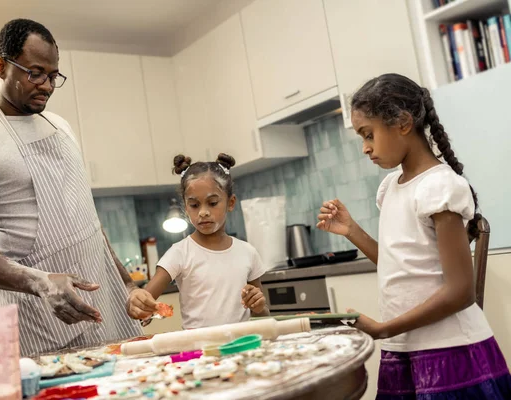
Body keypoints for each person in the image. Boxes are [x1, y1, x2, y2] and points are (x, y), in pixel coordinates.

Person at [0, 18, 147, 356]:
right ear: (1, 66)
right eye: (35, 73)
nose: (47, 85)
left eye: (53, 76)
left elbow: (87, 220)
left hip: (106, 304)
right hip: (40, 318)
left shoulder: (60, 125)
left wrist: (126, 283)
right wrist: (42, 282)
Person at [317, 73, 511, 399]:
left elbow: (462, 292)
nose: (365, 148)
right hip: (405, 348)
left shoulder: (439, 187)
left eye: (369, 135)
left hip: (451, 351)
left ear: (403, 123)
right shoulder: (390, 187)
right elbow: (400, 265)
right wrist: (352, 230)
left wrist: (385, 328)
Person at [128, 153, 270, 328]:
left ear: (231, 203)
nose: (203, 212)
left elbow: (261, 315)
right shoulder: (180, 253)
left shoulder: (248, 252)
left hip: (242, 346)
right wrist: (138, 304)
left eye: (212, 203)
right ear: (186, 208)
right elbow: (143, 300)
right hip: (199, 350)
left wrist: (259, 306)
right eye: (194, 205)